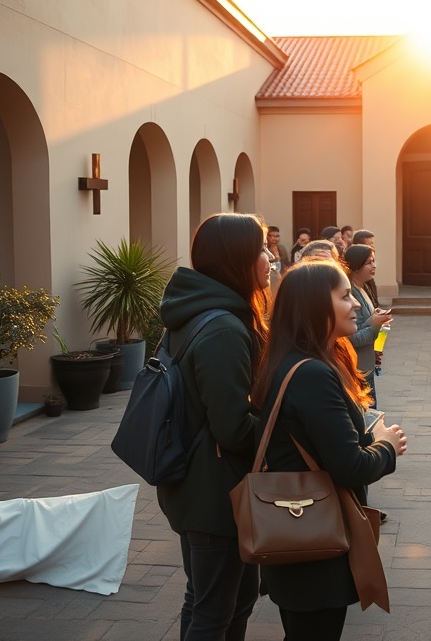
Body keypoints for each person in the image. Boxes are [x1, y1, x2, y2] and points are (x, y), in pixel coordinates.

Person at [251, 260, 407, 641]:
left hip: (296, 529)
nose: (356, 304)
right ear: (313, 307)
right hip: (313, 537)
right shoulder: (312, 373)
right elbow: (349, 466)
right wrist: (387, 446)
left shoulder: (292, 360)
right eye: (345, 296)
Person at [156, 213, 269, 641]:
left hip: (202, 483)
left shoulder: (201, 309)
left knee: (232, 599)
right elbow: (232, 428)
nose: (269, 257)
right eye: (261, 249)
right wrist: (285, 427)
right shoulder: (222, 326)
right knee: (211, 609)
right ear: (236, 258)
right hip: (214, 492)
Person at [344, 244, 393, 407]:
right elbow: (351, 337)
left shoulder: (363, 287)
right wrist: (373, 324)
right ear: (357, 266)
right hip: (358, 367)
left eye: (374, 261)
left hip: (367, 362)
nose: (374, 266)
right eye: (368, 263)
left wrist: (375, 318)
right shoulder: (350, 293)